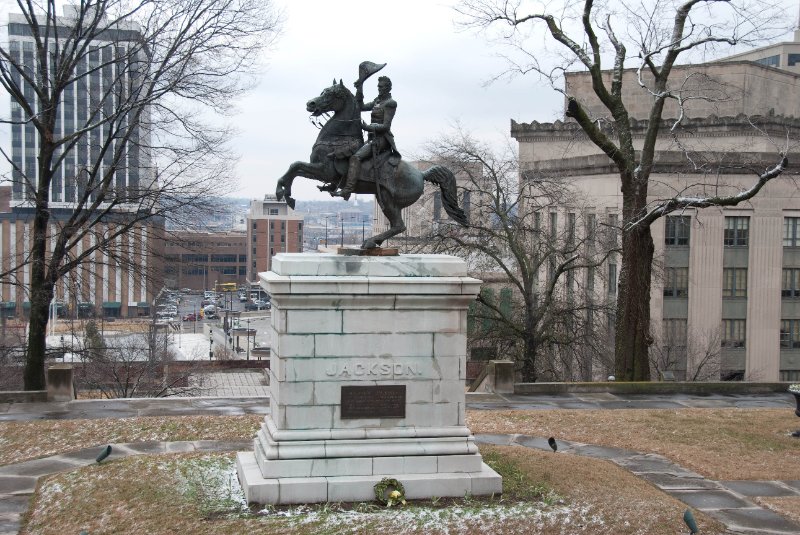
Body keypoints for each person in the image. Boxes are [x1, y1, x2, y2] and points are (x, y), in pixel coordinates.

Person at [332, 75, 400, 200]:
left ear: (388, 88)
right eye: (378, 86)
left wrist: (367, 127)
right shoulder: (377, 101)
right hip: (371, 138)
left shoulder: (390, 103)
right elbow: (361, 106)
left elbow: (386, 126)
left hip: (382, 139)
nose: (379, 89)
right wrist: (360, 87)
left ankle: (347, 190)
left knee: (355, 157)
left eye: (382, 86)